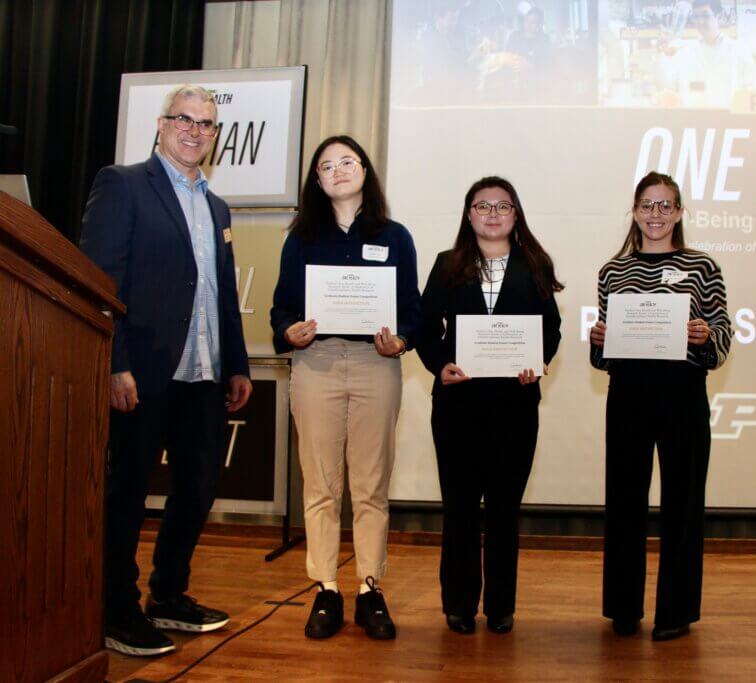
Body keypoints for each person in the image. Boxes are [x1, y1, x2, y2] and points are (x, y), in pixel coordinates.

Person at [79, 84, 252, 657]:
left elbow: (222, 294)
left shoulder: (217, 207)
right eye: (185, 119)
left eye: (206, 124)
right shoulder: (123, 185)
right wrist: (114, 363)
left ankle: (169, 594)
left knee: (197, 489)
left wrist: (236, 364)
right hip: (143, 374)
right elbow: (99, 285)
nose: (195, 131)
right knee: (127, 493)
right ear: (161, 124)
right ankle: (116, 608)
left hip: (204, 375)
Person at [270, 135, 420, 641]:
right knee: (321, 484)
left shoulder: (395, 236)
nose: (338, 170)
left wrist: (401, 340)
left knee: (371, 485)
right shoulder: (301, 238)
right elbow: (281, 307)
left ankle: (369, 587)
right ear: (317, 180)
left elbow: (412, 308)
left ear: (365, 170)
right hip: (316, 363)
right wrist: (288, 331)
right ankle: (327, 587)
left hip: (376, 364)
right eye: (326, 165)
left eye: (347, 161)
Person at [416, 176, 562, 635]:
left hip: (514, 407)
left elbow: (551, 330)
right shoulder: (447, 264)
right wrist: (439, 364)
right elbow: (424, 326)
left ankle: (501, 606)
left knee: (503, 509)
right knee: (460, 507)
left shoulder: (535, 264)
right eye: (483, 206)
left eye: (503, 206)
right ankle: (459, 604)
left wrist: (537, 362)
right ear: (469, 214)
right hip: (458, 406)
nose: (493, 214)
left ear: (516, 215)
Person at [589, 171, 732, 641]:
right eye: (647, 205)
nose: (656, 214)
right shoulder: (612, 271)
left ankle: (676, 612)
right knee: (624, 499)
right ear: (634, 212)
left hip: (682, 390)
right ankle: (623, 607)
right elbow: (604, 351)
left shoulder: (702, 267)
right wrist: (598, 340)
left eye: (665, 205)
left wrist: (706, 335)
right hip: (628, 391)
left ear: (679, 212)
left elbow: (722, 334)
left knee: (683, 503)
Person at [668, 0, 756, 108]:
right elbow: (675, 88)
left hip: (730, 116)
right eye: (696, 17)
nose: (700, 21)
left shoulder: (739, 50)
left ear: (719, 17)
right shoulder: (686, 53)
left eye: (705, 15)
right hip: (695, 115)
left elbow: (753, 89)